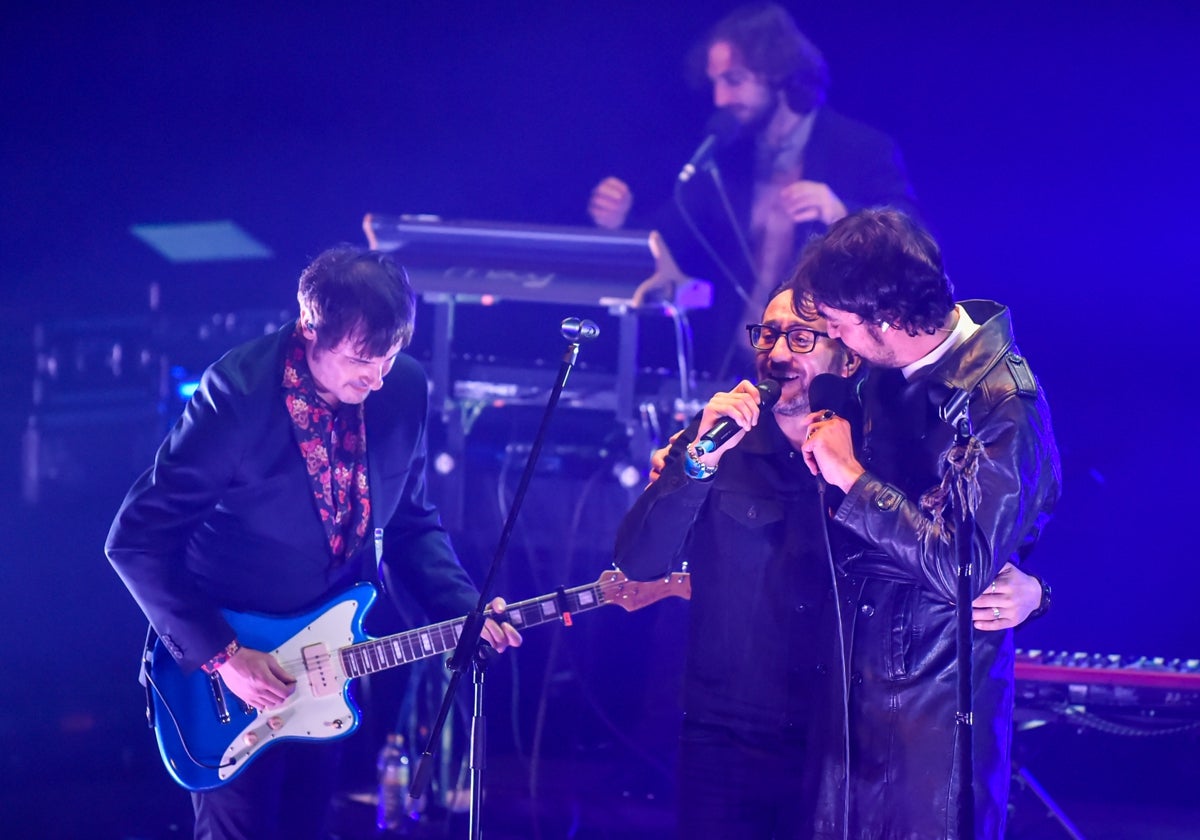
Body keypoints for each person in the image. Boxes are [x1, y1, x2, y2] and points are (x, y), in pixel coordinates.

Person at [105, 246, 522, 840]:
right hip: (230, 670)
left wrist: (465, 611)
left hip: (328, 664)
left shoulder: (401, 388)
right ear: (309, 329)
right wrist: (222, 654)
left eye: (390, 356)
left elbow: (410, 524)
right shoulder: (238, 396)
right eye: (359, 358)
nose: (375, 377)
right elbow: (135, 539)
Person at [614, 285, 1044, 839]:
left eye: (800, 336)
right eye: (767, 334)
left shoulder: (883, 447)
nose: (777, 352)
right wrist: (698, 462)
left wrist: (1036, 593)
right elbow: (640, 560)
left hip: (844, 741)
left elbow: (955, 547)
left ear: (847, 354)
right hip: (729, 737)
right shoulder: (715, 437)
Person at [796, 208, 1061, 839]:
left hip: (937, 689)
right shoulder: (889, 372)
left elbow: (964, 565)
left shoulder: (1000, 402)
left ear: (886, 319)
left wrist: (851, 478)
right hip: (854, 671)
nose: (836, 341)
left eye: (838, 326)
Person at [588, 2, 917, 375]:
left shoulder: (857, 148)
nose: (720, 99)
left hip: (829, 370)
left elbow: (916, 243)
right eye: (715, 83)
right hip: (737, 366)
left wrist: (841, 211)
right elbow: (666, 236)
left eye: (734, 80)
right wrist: (619, 222)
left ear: (778, 74)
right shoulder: (729, 161)